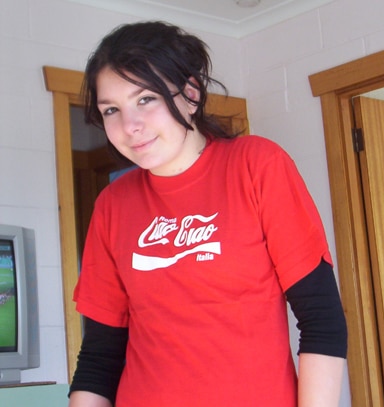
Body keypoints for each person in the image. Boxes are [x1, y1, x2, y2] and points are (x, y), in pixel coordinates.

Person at [68, 21, 347, 407]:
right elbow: (100, 356)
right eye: (111, 109)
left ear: (190, 93)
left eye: (145, 99)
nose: (129, 126)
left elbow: (321, 319)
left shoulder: (256, 165)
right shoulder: (112, 204)